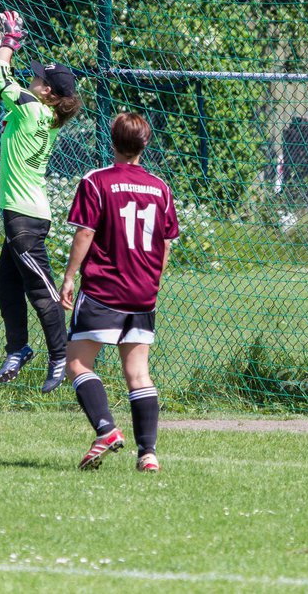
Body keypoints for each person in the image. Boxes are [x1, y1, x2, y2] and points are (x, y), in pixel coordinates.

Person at [60, 112, 179, 472]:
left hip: (104, 289)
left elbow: (85, 232)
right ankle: (148, 454)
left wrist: (69, 276)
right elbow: (166, 242)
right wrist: (154, 281)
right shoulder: (160, 187)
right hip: (142, 293)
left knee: (77, 362)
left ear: (112, 141)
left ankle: (106, 429)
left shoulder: (96, 181)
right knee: (138, 372)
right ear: (145, 144)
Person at [0, 10, 83, 393]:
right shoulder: (42, 113)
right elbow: (7, 79)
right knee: (5, 285)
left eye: (39, 77)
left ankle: (60, 357)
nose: (34, 77)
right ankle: (18, 348)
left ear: (48, 92)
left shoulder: (29, 109)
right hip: (25, 215)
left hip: (24, 220)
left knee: (42, 293)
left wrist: (9, 42)